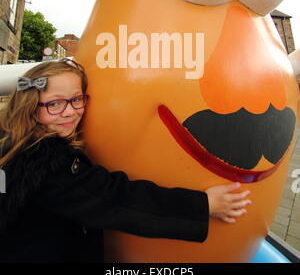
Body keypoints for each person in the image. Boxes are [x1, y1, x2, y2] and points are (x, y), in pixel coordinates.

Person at [0, 59, 251, 263]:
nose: (70, 111)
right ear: (30, 106)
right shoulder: (46, 165)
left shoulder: (13, 142)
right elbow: (118, 199)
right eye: (54, 104)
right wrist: (203, 205)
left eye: (77, 99)